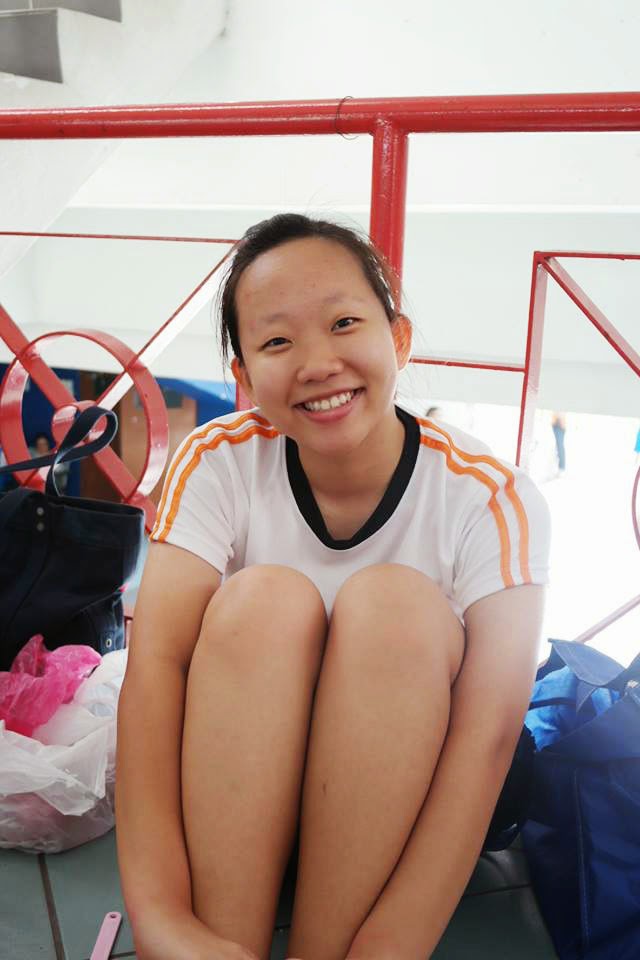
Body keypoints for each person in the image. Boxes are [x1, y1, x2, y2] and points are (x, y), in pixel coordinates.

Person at [116, 214, 550, 960]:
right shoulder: (217, 460)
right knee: (261, 601)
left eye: (344, 323)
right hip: (239, 802)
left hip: (406, 827)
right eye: (277, 341)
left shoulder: (491, 497)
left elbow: (489, 736)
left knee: (396, 608)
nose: (318, 363)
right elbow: (154, 673)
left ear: (399, 340)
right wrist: (162, 921)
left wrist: (394, 942)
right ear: (244, 377)